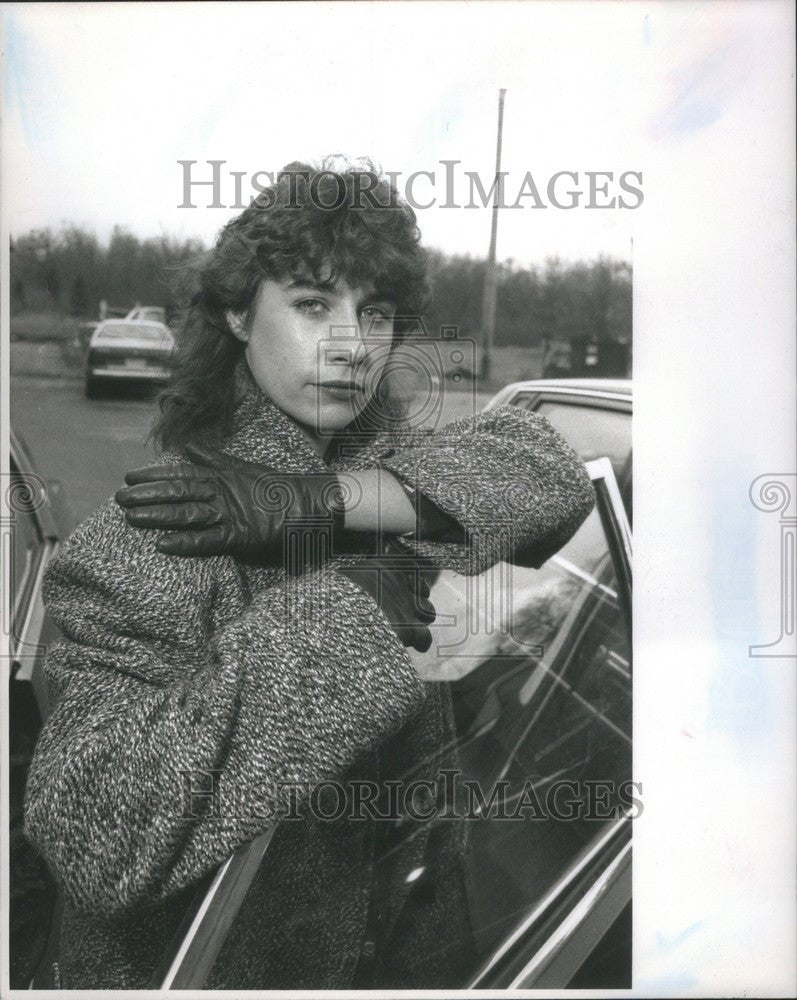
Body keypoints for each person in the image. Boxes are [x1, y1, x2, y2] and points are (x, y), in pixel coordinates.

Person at [24, 161, 595, 989]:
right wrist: (349, 613)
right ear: (235, 312)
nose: (351, 346)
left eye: (377, 314)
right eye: (312, 304)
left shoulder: (383, 477)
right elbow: (90, 832)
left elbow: (552, 474)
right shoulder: (149, 538)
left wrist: (321, 500)